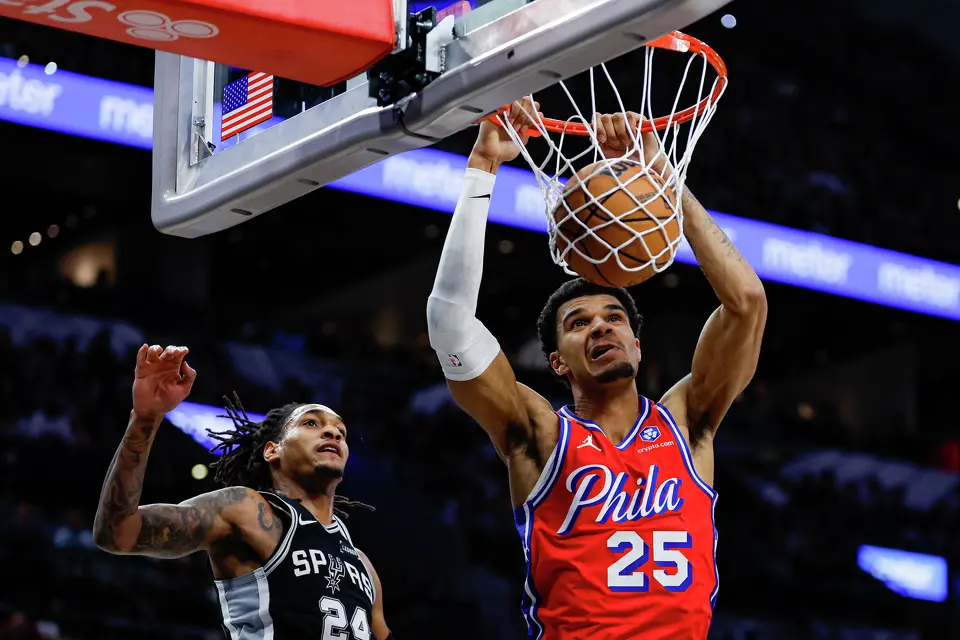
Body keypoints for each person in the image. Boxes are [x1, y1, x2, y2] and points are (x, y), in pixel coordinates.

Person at [426, 100, 767, 639]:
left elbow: (746, 300)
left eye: (613, 317)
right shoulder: (538, 433)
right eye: (579, 323)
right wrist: (483, 167)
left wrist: (665, 181)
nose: (602, 327)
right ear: (557, 360)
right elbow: (448, 319)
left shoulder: (687, 420)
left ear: (637, 344)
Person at [93, 344, 392, 640]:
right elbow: (118, 532)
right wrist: (145, 419)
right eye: (311, 423)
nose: (333, 433)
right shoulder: (247, 509)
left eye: (341, 431)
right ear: (272, 451)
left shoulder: (362, 565)